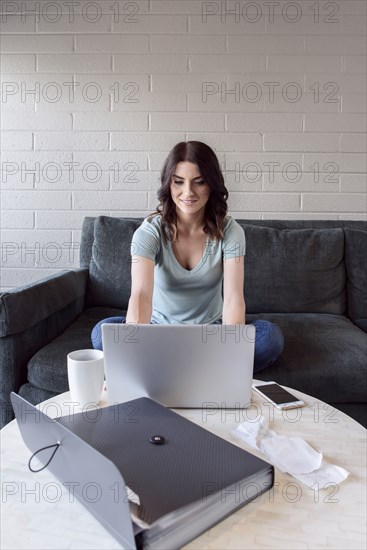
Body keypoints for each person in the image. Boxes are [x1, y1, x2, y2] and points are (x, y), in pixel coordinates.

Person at [91, 141, 284, 373]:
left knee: (270, 337)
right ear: (168, 184)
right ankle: (200, 370)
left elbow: (233, 299)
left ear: (211, 184)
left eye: (199, 182)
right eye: (179, 182)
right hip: (158, 332)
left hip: (211, 333)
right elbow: (141, 296)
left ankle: (174, 369)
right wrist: (135, 352)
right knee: (102, 333)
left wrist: (231, 351)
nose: (188, 193)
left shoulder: (231, 232)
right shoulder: (149, 233)